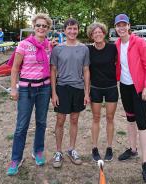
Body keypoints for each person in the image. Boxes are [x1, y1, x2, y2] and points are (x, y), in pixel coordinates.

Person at [6, 13, 53, 176]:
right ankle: (16, 159)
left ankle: (38, 151)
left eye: (44, 26)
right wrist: (14, 88)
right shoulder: (24, 45)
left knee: (41, 122)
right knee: (21, 126)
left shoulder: (49, 45)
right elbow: (15, 68)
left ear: (48, 29)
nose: (41, 28)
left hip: (44, 88)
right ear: (34, 27)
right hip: (26, 89)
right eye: (38, 25)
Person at [114, 14, 146, 183]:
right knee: (130, 118)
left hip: (139, 89)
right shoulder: (116, 44)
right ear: (115, 28)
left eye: (124, 25)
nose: (121, 28)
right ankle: (132, 149)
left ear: (129, 26)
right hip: (124, 86)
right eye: (118, 25)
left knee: (142, 123)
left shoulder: (139, 43)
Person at [50, 18, 90, 168]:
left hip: (78, 89)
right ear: (64, 31)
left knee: (74, 120)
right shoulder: (57, 49)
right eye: (69, 29)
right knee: (60, 120)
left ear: (78, 30)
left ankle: (71, 149)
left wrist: (87, 92)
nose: (72, 31)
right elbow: (53, 71)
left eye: (75, 29)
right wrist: (53, 93)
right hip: (62, 88)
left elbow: (86, 71)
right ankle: (58, 151)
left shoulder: (84, 49)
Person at [86, 22, 118, 162]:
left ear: (104, 33)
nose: (97, 34)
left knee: (110, 118)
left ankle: (109, 147)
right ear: (91, 36)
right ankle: (94, 147)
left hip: (111, 87)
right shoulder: (88, 50)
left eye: (100, 32)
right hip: (96, 88)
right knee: (96, 118)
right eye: (95, 33)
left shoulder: (113, 48)